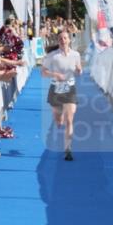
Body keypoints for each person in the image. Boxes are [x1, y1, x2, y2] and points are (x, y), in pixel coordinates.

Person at [41, 30, 83, 161]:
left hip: (70, 88)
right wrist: (55, 75)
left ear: (69, 40)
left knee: (69, 120)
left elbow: (79, 70)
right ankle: (58, 118)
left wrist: (79, 71)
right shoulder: (52, 56)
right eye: (60, 39)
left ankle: (68, 150)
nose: (63, 40)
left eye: (65, 38)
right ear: (58, 41)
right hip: (56, 89)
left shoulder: (76, 54)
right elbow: (43, 73)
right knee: (58, 119)